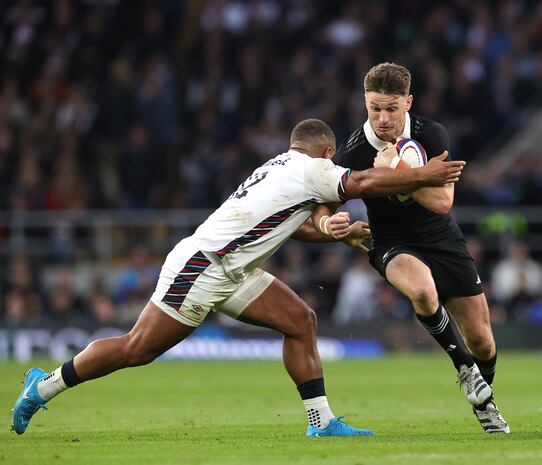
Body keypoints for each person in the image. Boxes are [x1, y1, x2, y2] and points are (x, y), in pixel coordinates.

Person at [11, 119, 465, 437]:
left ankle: (322, 422)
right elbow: (364, 183)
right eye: (333, 161)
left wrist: (332, 231)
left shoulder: (280, 166)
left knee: (300, 320)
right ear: (327, 153)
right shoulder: (312, 170)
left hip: (235, 268)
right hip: (204, 268)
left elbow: (298, 225)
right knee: (136, 349)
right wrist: (425, 174)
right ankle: (45, 385)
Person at [321, 62, 509, 433]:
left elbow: (442, 202)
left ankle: (484, 402)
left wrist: (395, 173)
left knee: (483, 343)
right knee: (423, 292)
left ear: (408, 102)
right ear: (365, 103)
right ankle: (465, 373)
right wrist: (333, 225)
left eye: (391, 109)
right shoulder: (354, 150)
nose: (383, 118)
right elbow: (324, 203)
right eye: (375, 108)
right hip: (391, 241)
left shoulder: (432, 134)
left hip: (442, 238)